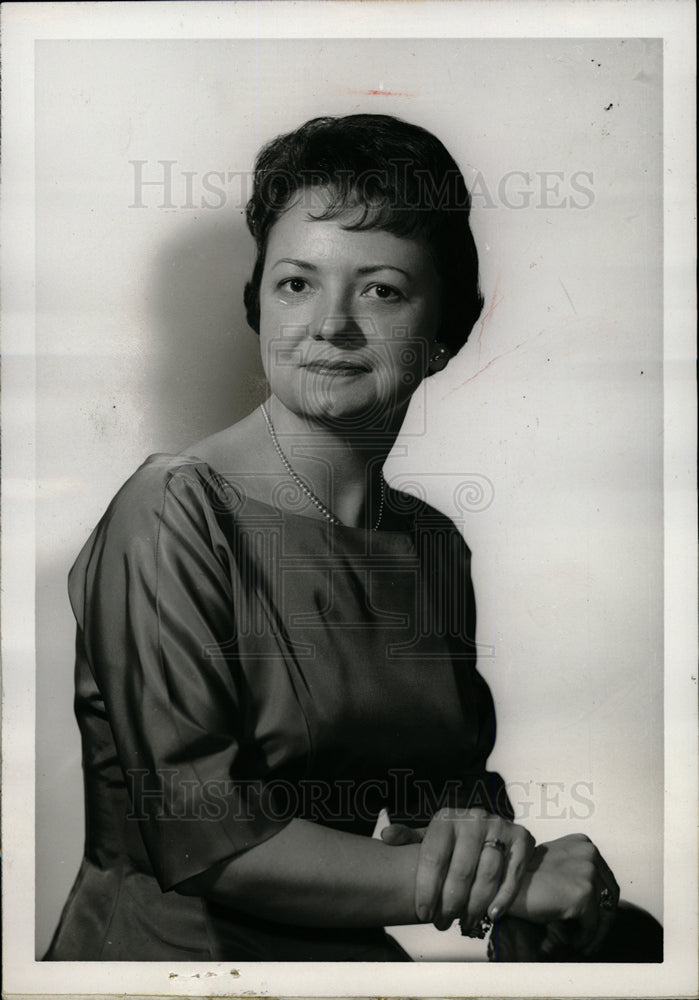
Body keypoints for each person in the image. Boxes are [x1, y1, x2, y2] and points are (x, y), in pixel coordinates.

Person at [44, 114, 660, 963]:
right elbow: (203, 838)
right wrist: (514, 884)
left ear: (448, 332)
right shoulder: (170, 512)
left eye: (380, 290)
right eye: (297, 283)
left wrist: (510, 878)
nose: (329, 324)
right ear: (255, 303)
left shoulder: (432, 544)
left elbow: (443, 807)